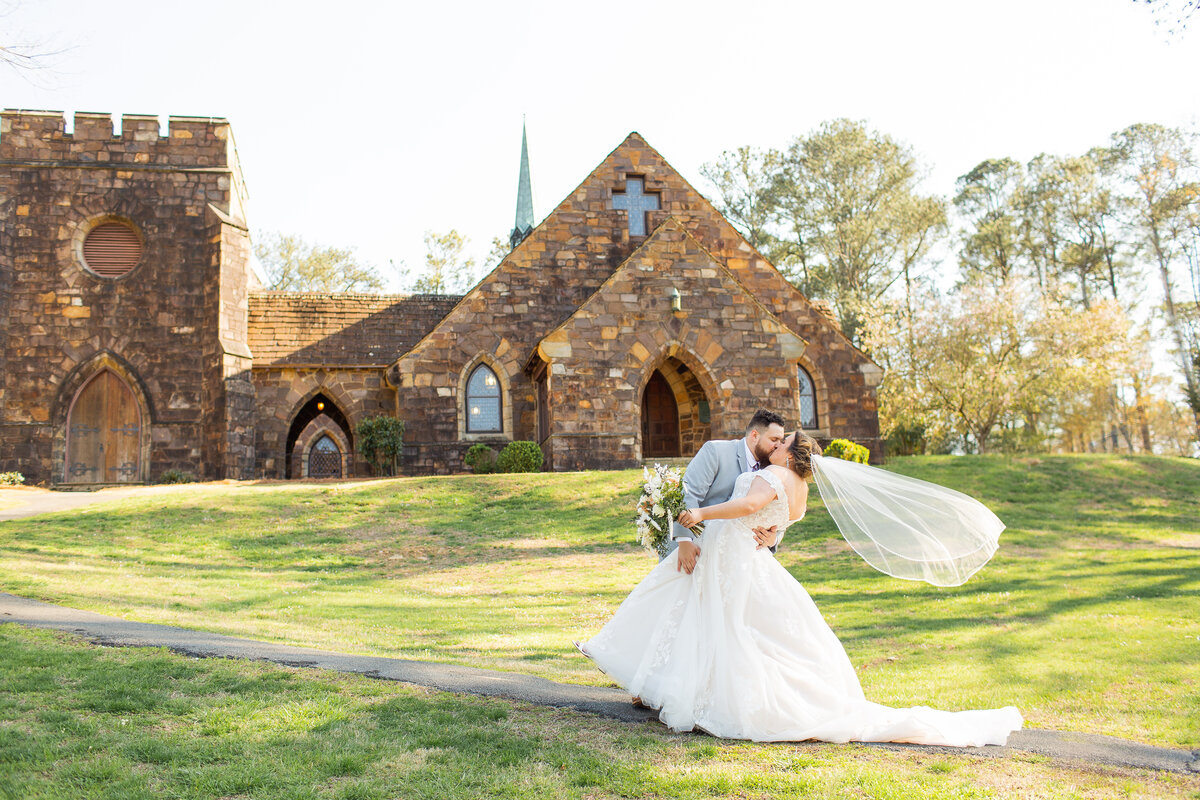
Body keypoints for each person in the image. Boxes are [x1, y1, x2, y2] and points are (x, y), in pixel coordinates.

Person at [578, 432, 1022, 746]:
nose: (774, 445)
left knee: (728, 626)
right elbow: (785, 519)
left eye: (782, 442)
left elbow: (751, 505)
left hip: (732, 558)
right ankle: (674, 685)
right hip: (742, 558)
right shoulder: (800, 486)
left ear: (791, 454)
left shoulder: (774, 477)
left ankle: (702, 694)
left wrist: (702, 516)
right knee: (719, 620)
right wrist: (769, 533)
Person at [669, 409, 787, 576]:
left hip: (740, 562)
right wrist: (684, 541)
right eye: (774, 439)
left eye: (781, 441)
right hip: (698, 551)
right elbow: (688, 492)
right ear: (754, 435)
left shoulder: (772, 469)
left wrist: (773, 539)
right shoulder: (716, 451)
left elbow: (779, 513)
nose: (778, 445)